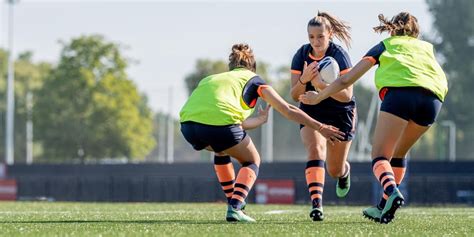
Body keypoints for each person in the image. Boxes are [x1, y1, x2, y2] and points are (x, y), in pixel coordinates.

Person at [299, 12, 448, 224]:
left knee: (380, 156)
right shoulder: (426, 48)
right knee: (398, 154)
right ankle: (383, 207)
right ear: (416, 33)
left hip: (400, 95)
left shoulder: (386, 45)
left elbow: (345, 81)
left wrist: (318, 97)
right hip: (434, 100)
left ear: (392, 29)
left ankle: (391, 191)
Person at [180, 43, 345, 223]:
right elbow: (288, 109)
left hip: (188, 126)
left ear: (231, 66)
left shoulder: (213, 79)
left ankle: (233, 202)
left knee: (221, 149)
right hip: (219, 127)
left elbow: (228, 120)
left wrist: (259, 120)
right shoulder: (254, 80)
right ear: (253, 66)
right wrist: (320, 126)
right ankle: (235, 206)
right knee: (252, 160)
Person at [290, 11, 356, 221]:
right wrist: (304, 80)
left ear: (330, 35)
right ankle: (316, 205)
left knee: (334, 170)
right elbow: (294, 95)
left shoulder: (340, 55)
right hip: (311, 108)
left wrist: (321, 86)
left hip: (339, 111)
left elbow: (346, 96)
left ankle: (344, 173)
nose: (316, 42)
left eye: (320, 37)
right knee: (315, 149)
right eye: (311, 37)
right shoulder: (301, 56)